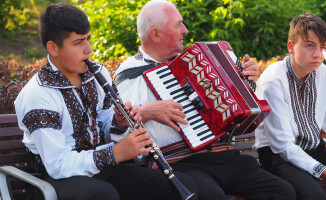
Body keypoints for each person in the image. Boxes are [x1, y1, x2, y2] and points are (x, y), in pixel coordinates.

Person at [112, 0, 296, 199]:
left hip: (220, 154)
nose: (185, 30)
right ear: (155, 34)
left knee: (282, 192)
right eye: (178, 25)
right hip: (176, 161)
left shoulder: (193, 63)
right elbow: (123, 134)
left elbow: (232, 114)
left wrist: (247, 80)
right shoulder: (129, 75)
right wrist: (146, 111)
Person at [14, 3, 198, 200]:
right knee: (104, 195)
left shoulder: (97, 74)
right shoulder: (38, 94)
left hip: (99, 168)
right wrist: (116, 153)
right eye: (78, 43)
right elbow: (58, 165)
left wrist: (118, 122)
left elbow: (104, 124)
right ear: (53, 48)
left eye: (88, 39)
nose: (89, 49)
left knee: (180, 186)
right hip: (52, 180)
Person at [253, 13, 326, 200]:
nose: (318, 54)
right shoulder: (273, 81)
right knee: (313, 195)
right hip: (277, 155)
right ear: (290, 47)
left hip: (313, 146)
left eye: (322, 47)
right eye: (310, 45)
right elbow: (283, 146)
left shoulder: (322, 72)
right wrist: (322, 170)